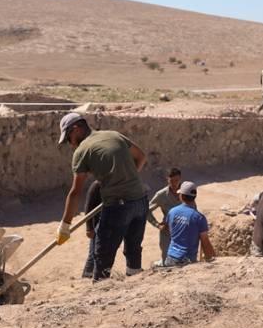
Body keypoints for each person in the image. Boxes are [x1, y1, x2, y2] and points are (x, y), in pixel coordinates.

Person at [57, 112, 148, 281]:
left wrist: (65, 226)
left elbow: (76, 192)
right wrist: (126, 178)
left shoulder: (82, 151)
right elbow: (141, 157)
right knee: (133, 250)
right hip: (141, 201)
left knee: (102, 256)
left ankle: (99, 290)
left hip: (118, 206)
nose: (70, 144)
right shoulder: (114, 134)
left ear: (76, 129)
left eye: (68, 138)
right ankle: (135, 283)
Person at [163, 181, 215, 267]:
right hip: (187, 260)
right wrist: (211, 259)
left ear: (182, 196)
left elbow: (169, 229)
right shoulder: (199, 217)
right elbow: (205, 242)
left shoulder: (172, 212)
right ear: (195, 196)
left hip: (170, 257)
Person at [146, 168, 183, 263]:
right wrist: (158, 225)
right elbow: (147, 211)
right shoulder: (161, 195)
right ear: (168, 179)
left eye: (177, 180)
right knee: (167, 260)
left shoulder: (185, 192)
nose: (175, 184)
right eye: (172, 181)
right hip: (168, 232)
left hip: (183, 231)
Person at [80, 181, 102, 278]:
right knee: (94, 252)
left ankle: (98, 272)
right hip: (97, 224)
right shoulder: (97, 185)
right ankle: (87, 274)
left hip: (109, 223)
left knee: (102, 251)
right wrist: (89, 228)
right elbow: (88, 209)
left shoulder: (115, 183)